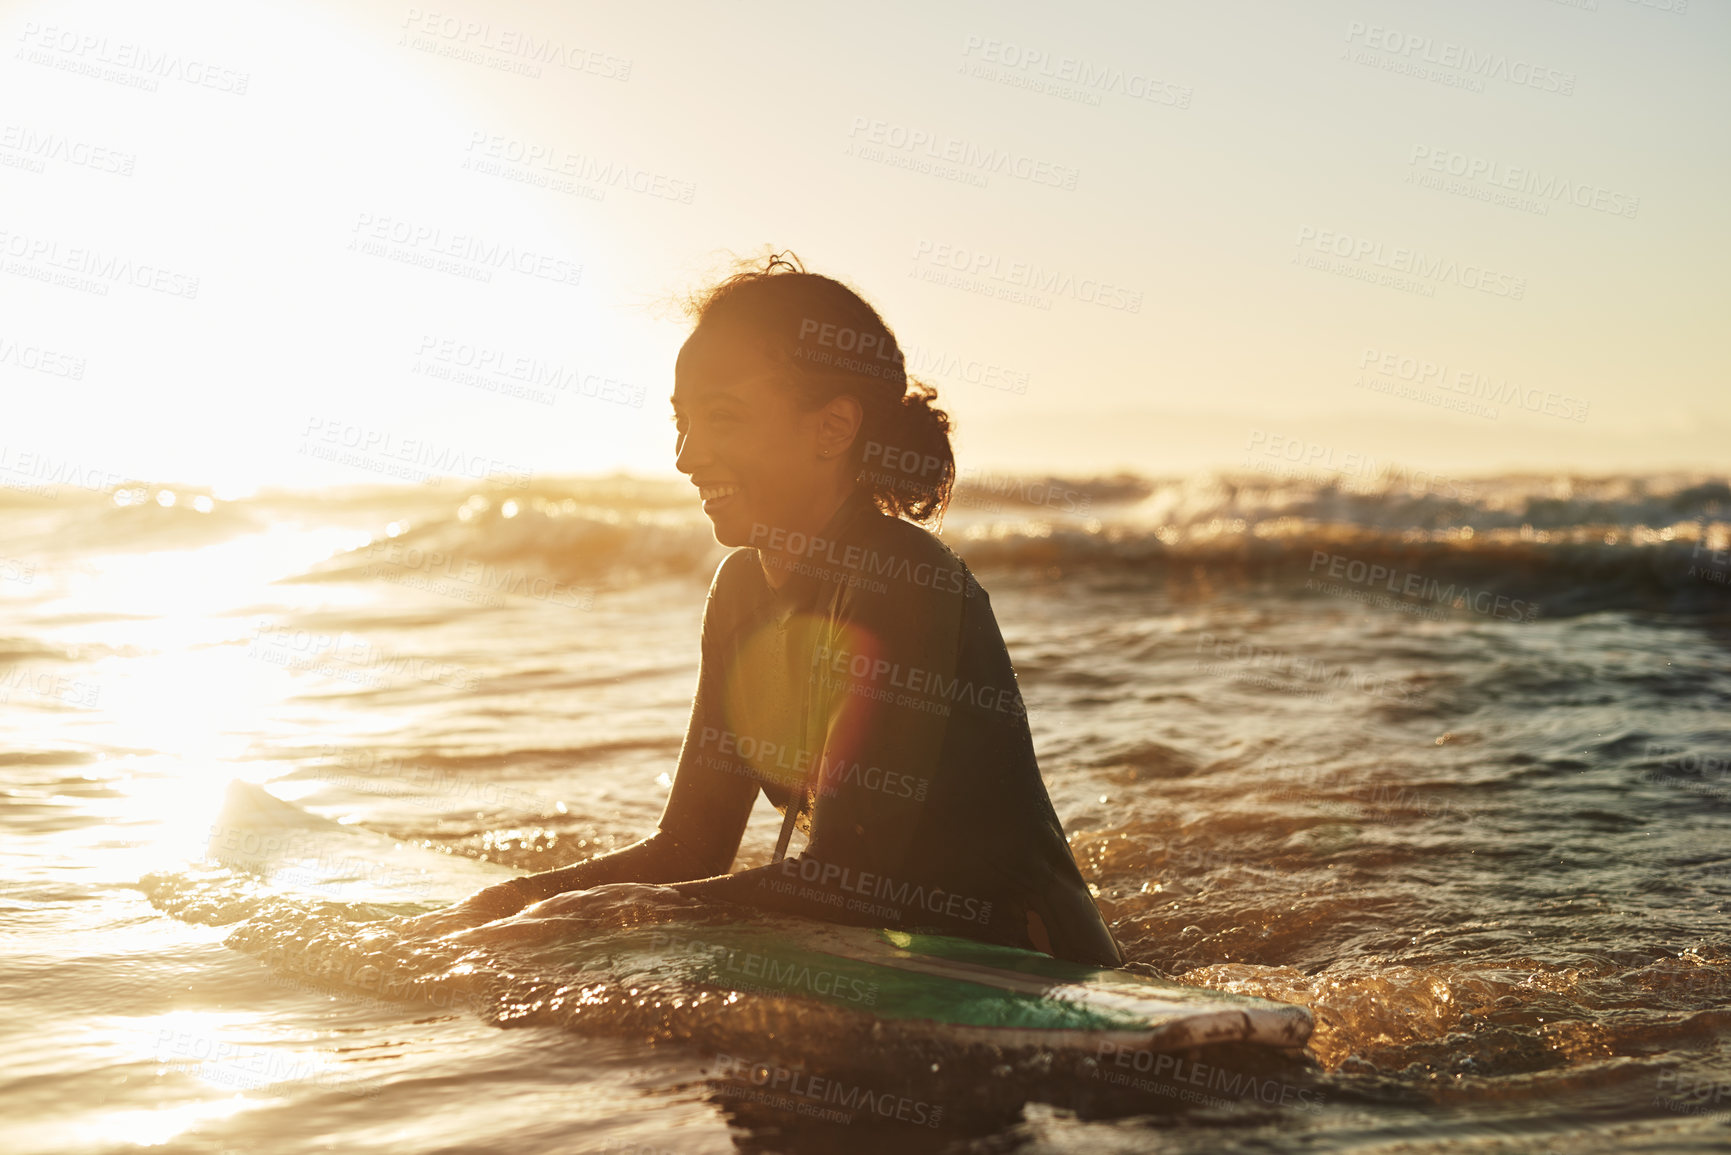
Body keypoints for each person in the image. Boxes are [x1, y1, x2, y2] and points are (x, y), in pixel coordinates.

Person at [406, 253, 1122, 967]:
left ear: (831, 429)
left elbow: (853, 881)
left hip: (1029, 967)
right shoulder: (741, 590)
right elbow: (690, 846)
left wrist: (615, 915)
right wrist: (504, 904)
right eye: (681, 422)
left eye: (722, 418)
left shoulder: (904, 580)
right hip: (882, 964)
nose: (687, 456)